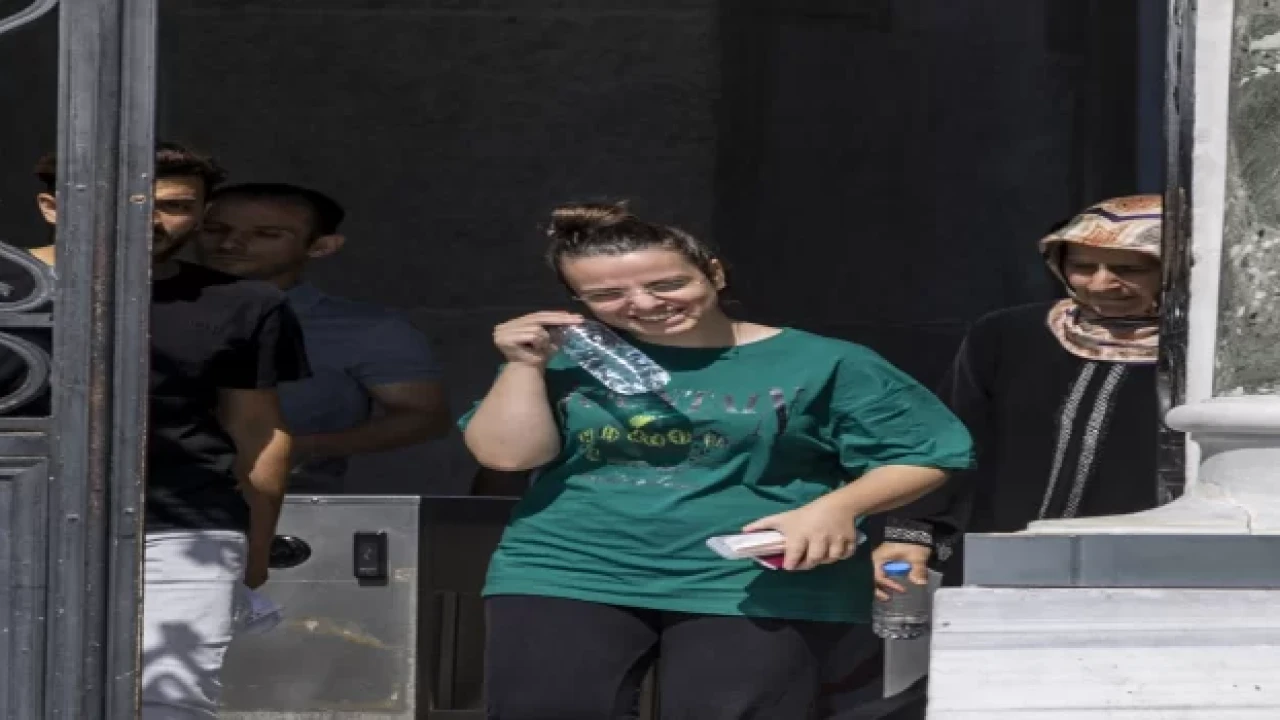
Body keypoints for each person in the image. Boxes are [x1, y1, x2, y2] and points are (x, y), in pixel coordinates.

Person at [461, 201, 974, 720]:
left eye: (667, 284)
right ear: (577, 303)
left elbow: (929, 453)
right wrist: (523, 366)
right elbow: (507, 456)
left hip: (756, 578)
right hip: (567, 570)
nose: (644, 304)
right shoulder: (567, 361)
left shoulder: (827, 361)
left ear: (714, 273)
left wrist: (837, 507)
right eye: (607, 295)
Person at [31, 144, 311, 718]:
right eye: (116, 200)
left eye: (174, 205)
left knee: (169, 702)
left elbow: (258, 429)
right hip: (20, 518)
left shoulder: (244, 303)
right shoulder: (12, 288)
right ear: (53, 207)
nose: (147, 219)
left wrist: (255, 546)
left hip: (184, 529)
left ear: (203, 215)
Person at [874, 194, 1165, 595]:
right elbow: (951, 440)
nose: (1101, 283)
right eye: (1082, 266)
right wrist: (913, 532)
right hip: (1006, 558)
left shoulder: (1211, 357)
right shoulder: (1008, 335)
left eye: (1129, 269)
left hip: (1150, 566)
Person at [194, 183, 449, 493]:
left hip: (292, 504)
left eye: (266, 234)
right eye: (214, 229)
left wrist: (299, 448)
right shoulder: (150, 311)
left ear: (321, 246)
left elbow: (423, 416)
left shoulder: (366, 328)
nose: (230, 244)